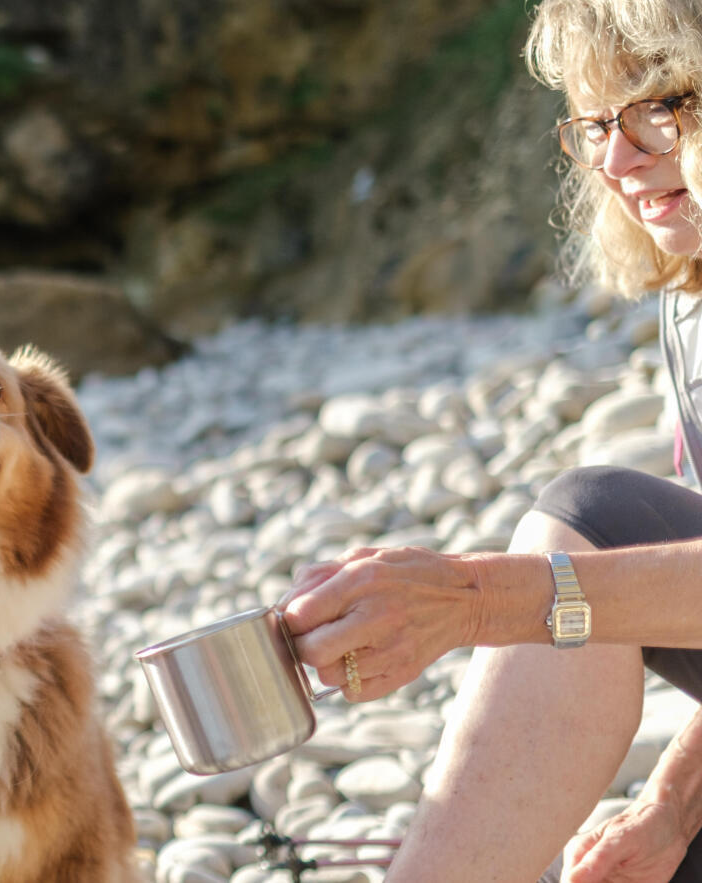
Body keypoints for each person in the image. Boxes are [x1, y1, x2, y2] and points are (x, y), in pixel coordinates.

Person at [281, 1, 702, 880]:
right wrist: (672, 805)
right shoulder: (690, 301)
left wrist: (472, 601)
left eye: (659, 106)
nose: (618, 160)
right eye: (595, 125)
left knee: (597, 513)